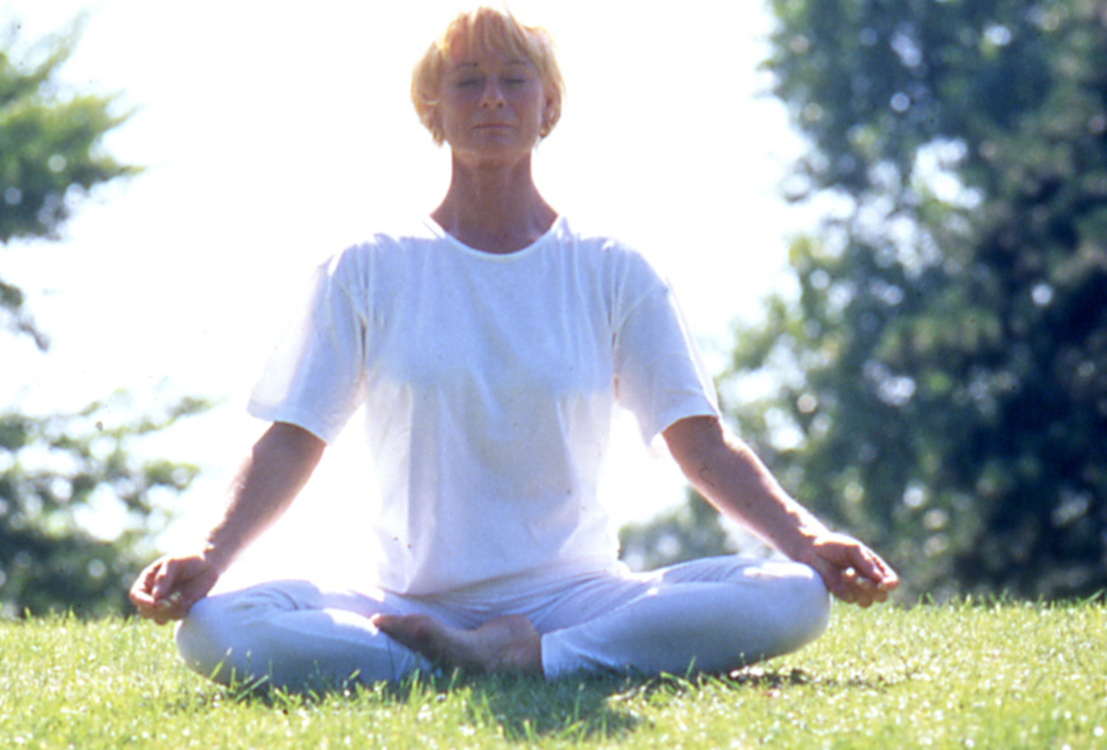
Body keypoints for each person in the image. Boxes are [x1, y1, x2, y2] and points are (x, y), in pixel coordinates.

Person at [129, 6, 898, 689]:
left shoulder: (613, 268)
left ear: (548, 105)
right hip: (404, 599)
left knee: (792, 593)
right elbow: (292, 439)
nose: (492, 98)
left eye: (513, 80)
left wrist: (807, 538)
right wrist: (210, 553)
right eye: (467, 82)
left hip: (574, 598)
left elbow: (701, 444)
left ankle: (534, 659)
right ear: (432, 109)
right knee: (218, 628)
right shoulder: (365, 266)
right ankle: (446, 654)